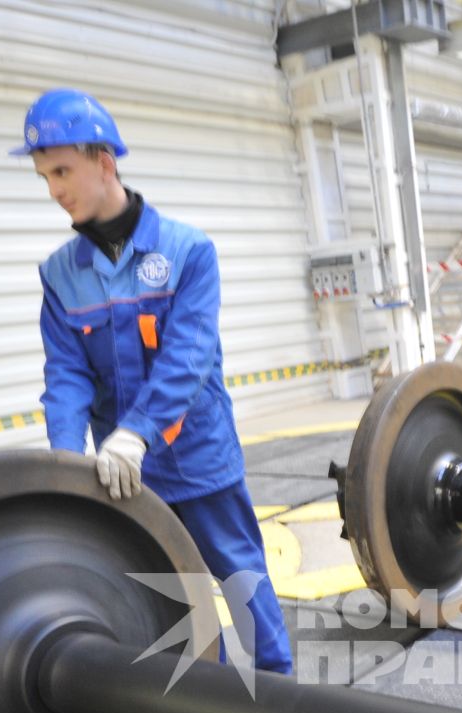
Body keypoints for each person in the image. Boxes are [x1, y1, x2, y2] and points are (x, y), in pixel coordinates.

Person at [15, 88, 293, 676]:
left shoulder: (188, 252)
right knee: (162, 588)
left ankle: (280, 685)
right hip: (122, 475)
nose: (54, 189)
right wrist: (67, 464)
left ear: (105, 163)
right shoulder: (61, 275)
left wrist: (136, 433)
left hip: (195, 456)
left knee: (238, 570)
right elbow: (65, 376)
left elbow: (187, 360)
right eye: (44, 176)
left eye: (62, 171)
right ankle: (199, 696)